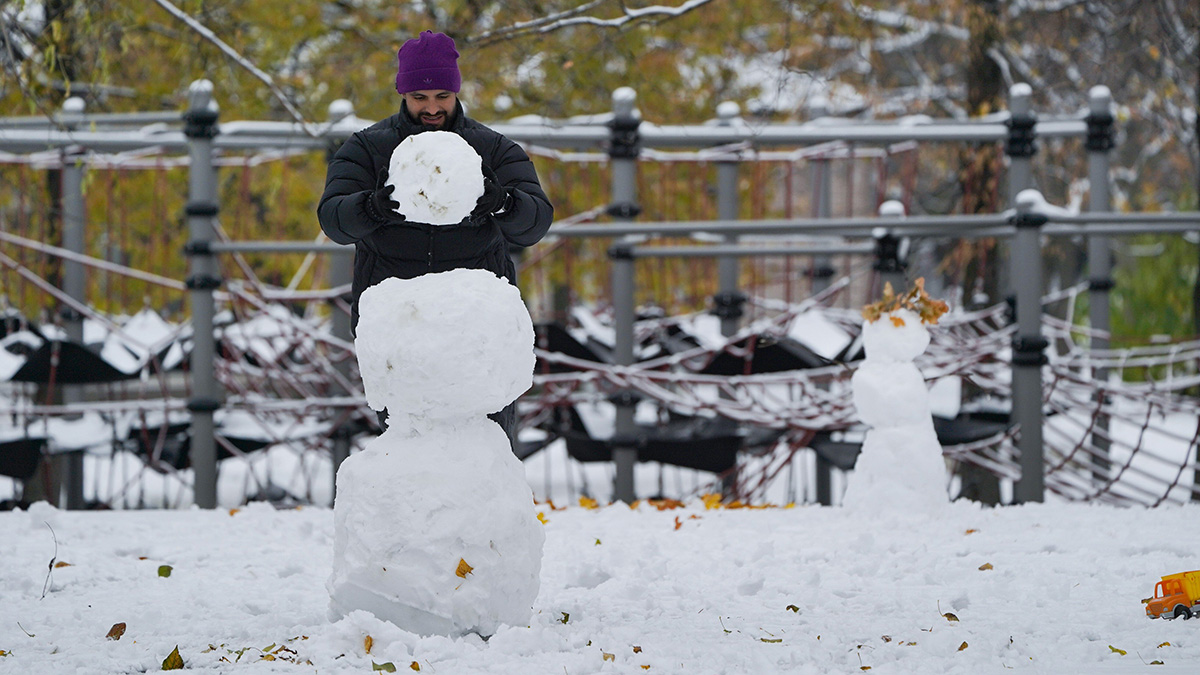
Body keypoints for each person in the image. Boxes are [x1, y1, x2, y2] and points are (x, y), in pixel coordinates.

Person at [318, 29, 554, 450]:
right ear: (403, 94)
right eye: (420, 98)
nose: (431, 108)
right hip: (399, 325)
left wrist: (501, 201)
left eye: (442, 96)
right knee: (409, 450)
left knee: (485, 448)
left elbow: (535, 223)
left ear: (457, 92)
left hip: (475, 328)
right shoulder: (368, 149)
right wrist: (372, 207)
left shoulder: (492, 149)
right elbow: (334, 220)